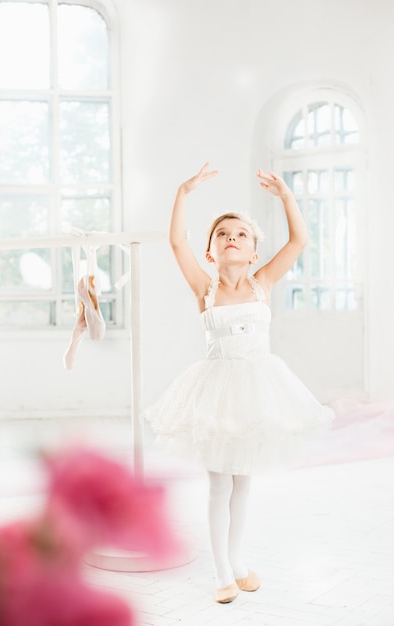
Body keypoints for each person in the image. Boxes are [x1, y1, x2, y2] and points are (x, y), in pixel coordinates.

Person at [144, 163, 334, 604]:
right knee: (219, 483)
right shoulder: (202, 287)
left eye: (242, 234)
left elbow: (299, 241)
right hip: (216, 392)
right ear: (210, 252)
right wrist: (182, 191)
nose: (232, 237)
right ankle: (220, 571)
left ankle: (238, 559)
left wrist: (287, 196)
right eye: (223, 234)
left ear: (252, 253)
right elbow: (176, 241)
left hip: (257, 388)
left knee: (244, 480)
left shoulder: (262, 281)